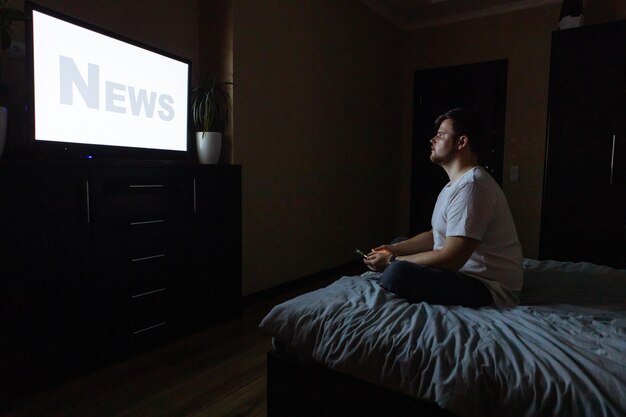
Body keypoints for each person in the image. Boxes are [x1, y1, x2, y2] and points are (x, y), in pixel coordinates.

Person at [364, 107, 523, 308]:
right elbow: (435, 235)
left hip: (486, 286)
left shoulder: (472, 186)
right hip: (461, 270)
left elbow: (452, 259)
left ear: (461, 142)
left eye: (440, 135)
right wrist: (393, 249)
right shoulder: (454, 184)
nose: (432, 140)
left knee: (396, 274)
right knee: (397, 242)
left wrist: (391, 261)